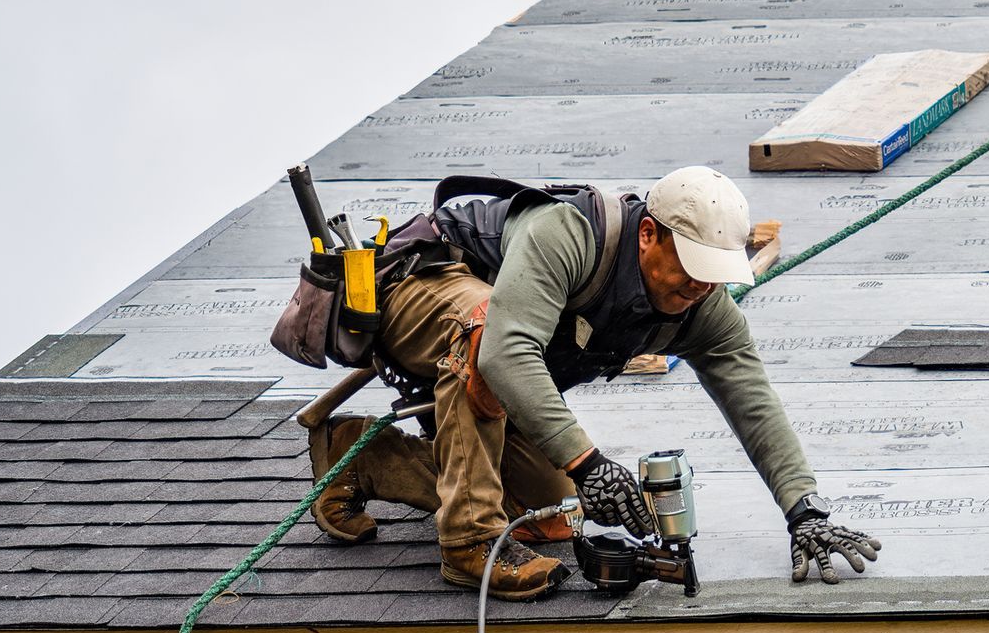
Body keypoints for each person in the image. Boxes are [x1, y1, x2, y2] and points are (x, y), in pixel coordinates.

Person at [311, 166, 880, 600]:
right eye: (692, 269)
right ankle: (467, 543)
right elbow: (508, 353)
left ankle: (361, 459)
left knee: (554, 512)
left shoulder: (700, 303)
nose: (701, 288)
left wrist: (804, 510)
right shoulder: (569, 234)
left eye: (714, 276)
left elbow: (752, 398)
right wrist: (590, 464)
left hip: (485, 372)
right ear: (649, 235)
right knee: (486, 330)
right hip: (421, 290)